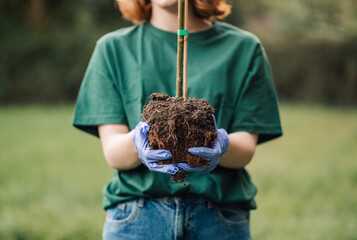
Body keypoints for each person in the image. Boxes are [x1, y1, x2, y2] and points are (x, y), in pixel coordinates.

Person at [73, 0, 282, 239]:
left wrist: (220, 144)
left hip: (219, 220)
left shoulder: (244, 49)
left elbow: (246, 148)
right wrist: (138, 141)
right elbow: (113, 152)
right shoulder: (113, 49)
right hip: (137, 220)